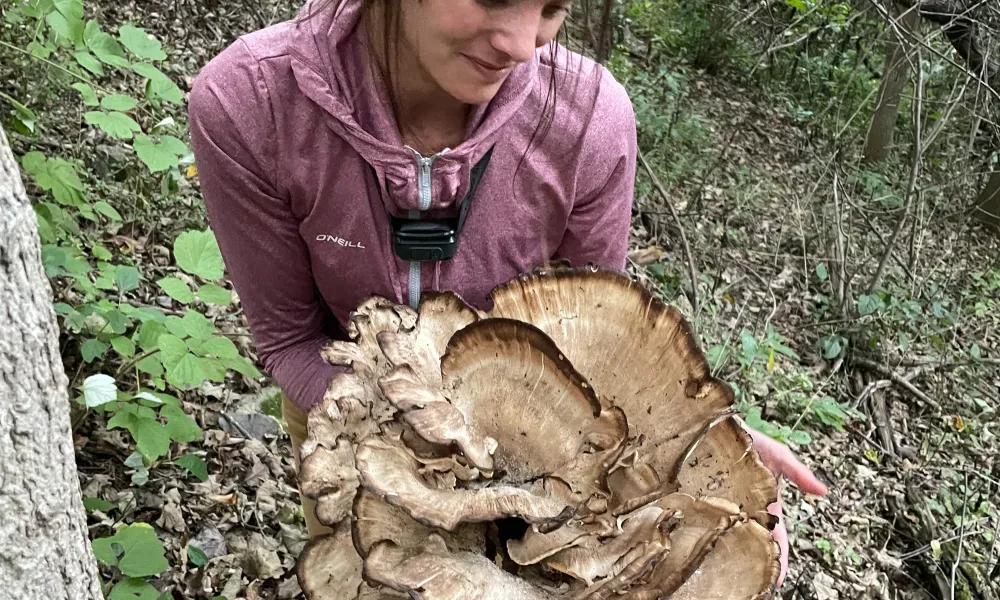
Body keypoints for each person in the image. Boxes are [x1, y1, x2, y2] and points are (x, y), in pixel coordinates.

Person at [187, 0, 826, 587]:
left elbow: (598, 344)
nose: (523, 44)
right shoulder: (252, 106)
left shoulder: (587, 123)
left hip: (543, 452)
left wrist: (697, 445)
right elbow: (291, 340)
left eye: (552, 8)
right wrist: (412, 448)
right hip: (348, 423)